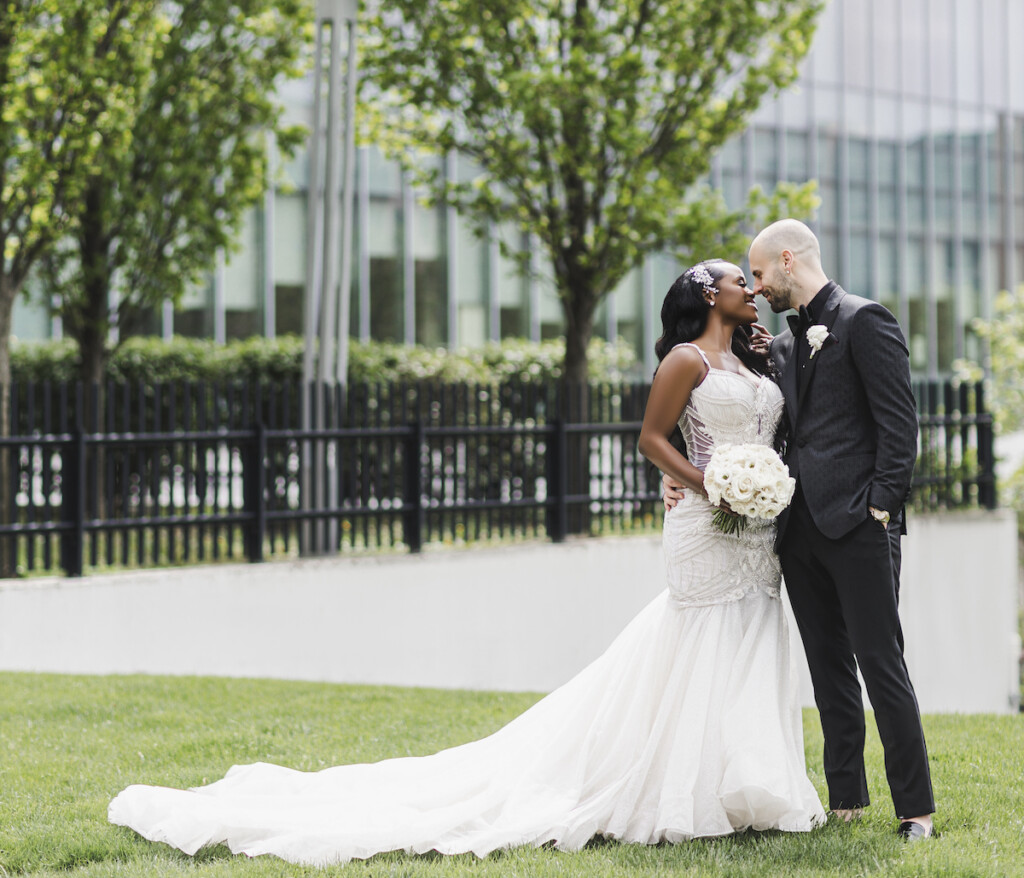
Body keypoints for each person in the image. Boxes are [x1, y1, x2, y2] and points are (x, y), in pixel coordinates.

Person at [108, 260, 824, 866]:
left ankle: (751, 786)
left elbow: (779, 424)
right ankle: (682, 789)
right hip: (706, 524)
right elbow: (651, 437)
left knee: (750, 638)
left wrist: (760, 484)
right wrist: (709, 484)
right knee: (698, 643)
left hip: (758, 531)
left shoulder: (755, 356)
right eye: (739, 280)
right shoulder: (686, 360)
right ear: (707, 294)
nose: (750, 288)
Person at [664, 220, 935, 841]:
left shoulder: (866, 320)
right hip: (794, 530)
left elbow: (899, 425)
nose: (756, 288)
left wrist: (881, 508)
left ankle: (915, 810)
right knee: (828, 668)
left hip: (861, 524)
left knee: (880, 663)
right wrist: (681, 473)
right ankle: (847, 799)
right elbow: (762, 430)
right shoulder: (779, 347)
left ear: (788, 260)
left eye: (759, 274)